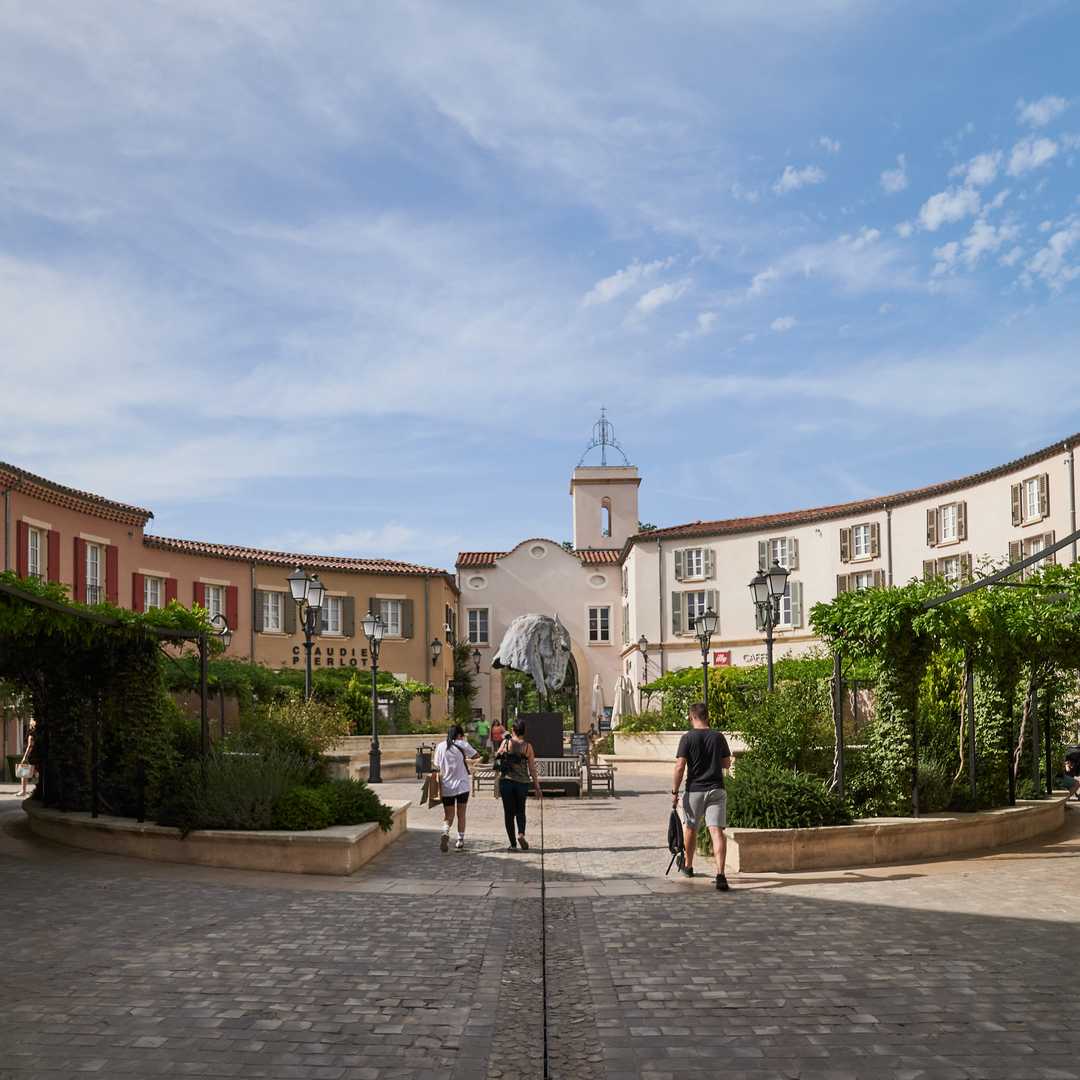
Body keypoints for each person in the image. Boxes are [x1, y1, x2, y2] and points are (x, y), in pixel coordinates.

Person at [671, 702, 732, 892]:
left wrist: (674, 791)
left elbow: (680, 766)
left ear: (692, 717)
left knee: (691, 829)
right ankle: (720, 874)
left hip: (694, 790)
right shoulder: (718, 737)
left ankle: (688, 866)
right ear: (707, 716)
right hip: (716, 789)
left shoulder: (687, 738)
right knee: (717, 831)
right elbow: (727, 763)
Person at [496, 718, 542, 851]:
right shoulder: (528, 746)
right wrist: (537, 786)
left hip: (506, 782)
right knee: (521, 810)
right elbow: (532, 768)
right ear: (524, 731)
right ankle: (521, 834)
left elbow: (497, 758)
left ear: (513, 730)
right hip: (522, 783)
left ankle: (513, 844)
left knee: (508, 813)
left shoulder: (506, 743)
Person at [433, 724, 478, 852]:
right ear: (459, 735)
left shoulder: (440, 746)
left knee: (448, 815)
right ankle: (460, 840)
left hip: (447, 786)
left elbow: (436, 765)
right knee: (461, 814)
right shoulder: (462, 744)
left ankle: (445, 832)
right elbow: (476, 755)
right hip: (462, 786)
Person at [18, 718, 37, 798]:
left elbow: (30, 746)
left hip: (31, 755)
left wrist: (25, 757)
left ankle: (23, 791)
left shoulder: (32, 733)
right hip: (37, 754)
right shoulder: (39, 732)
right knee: (36, 772)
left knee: (23, 772)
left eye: (31, 721)